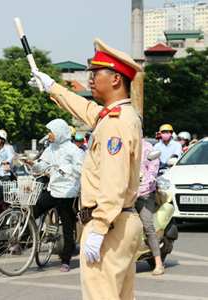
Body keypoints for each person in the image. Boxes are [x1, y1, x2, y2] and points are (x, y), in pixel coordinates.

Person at [30, 38, 143, 299]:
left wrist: (100, 226)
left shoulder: (114, 122)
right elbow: (86, 109)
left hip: (109, 224)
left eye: (95, 73)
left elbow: (114, 181)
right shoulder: (117, 115)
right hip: (121, 221)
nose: (89, 79)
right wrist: (52, 87)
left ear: (115, 79)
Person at [23, 119, 83, 272]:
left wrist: (66, 169)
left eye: (51, 131)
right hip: (54, 190)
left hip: (69, 193)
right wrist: (31, 163)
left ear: (59, 133)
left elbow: (81, 169)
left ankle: (66, 261)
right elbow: (42, 165)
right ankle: (29, 238)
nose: (49, 134)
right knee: (33, 211)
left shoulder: (73, 150)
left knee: (68, 229)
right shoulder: (51, 148)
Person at [137, 132, 163, 275]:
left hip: (144, 192)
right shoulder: (121, 146)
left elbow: (153, 167)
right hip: (125, 192)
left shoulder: (147, 147)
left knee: (147, 225)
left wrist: (151, 177)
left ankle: (158, 262)